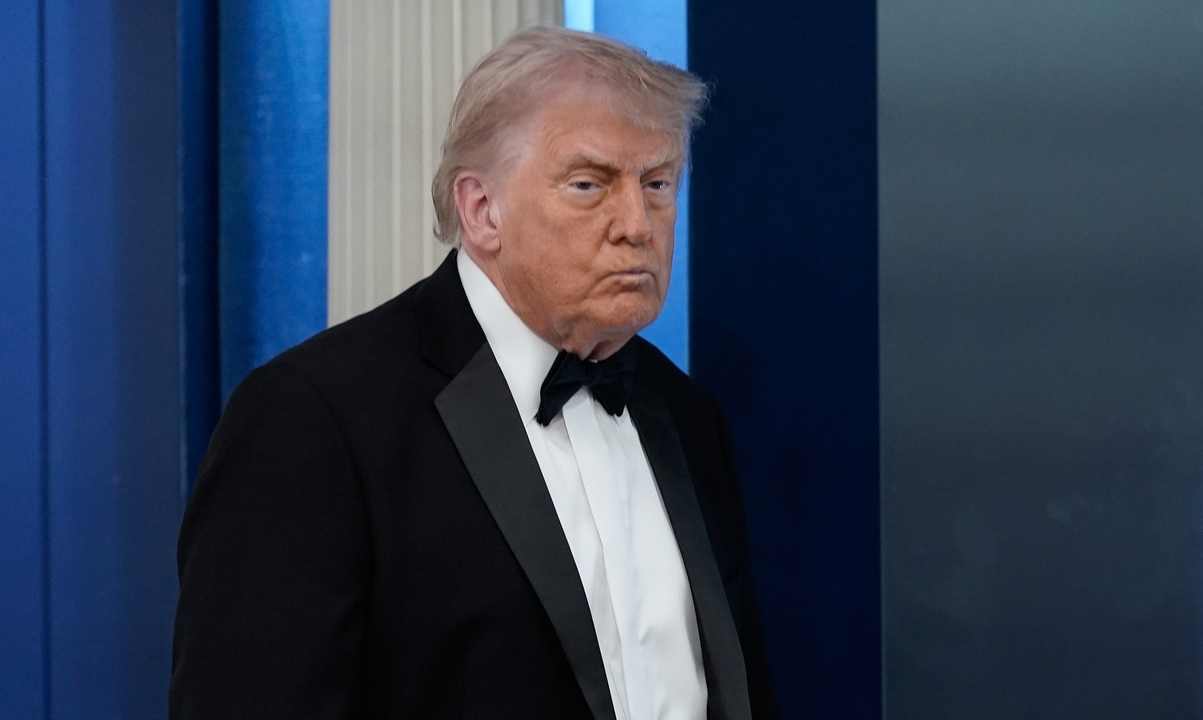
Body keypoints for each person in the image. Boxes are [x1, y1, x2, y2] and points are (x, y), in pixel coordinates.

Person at [170, 27, 775, 720]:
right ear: (482, 210)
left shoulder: (687, 414)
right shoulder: (314, 421)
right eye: (589, 184)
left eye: (657, 184)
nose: (638, 224)